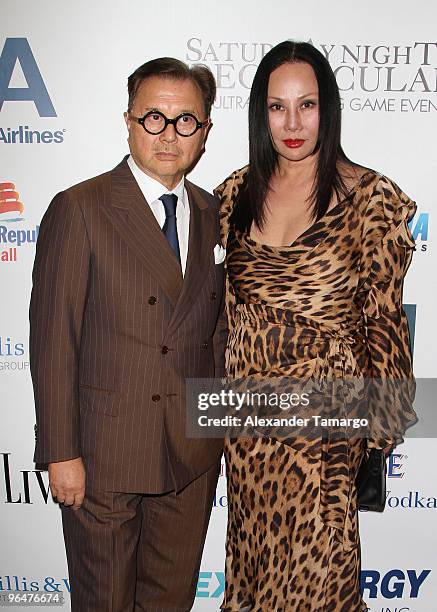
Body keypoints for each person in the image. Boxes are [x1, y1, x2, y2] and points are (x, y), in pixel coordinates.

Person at [214, 41, 417, 611]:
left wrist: (376, 438)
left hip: (326, 428)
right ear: (261, 113)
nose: (294, 123)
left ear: (329, 108)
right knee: (254, 576)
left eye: (308, 105)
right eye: (278, 107)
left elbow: (384, 320)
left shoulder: (369, 198)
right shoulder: (234, 196)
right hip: (250, 432)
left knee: (323, 583)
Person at [30, 57, 226, 611]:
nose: (169, 134)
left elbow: (217, 337)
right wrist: (60, 451)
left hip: (190, 457)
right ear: (129, 121)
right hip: (104, 457)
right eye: (154, 119)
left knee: (171, 602)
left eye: (186, 120)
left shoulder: (216, 213)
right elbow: (52, 342)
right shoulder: (82, 207)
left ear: (205, 131)